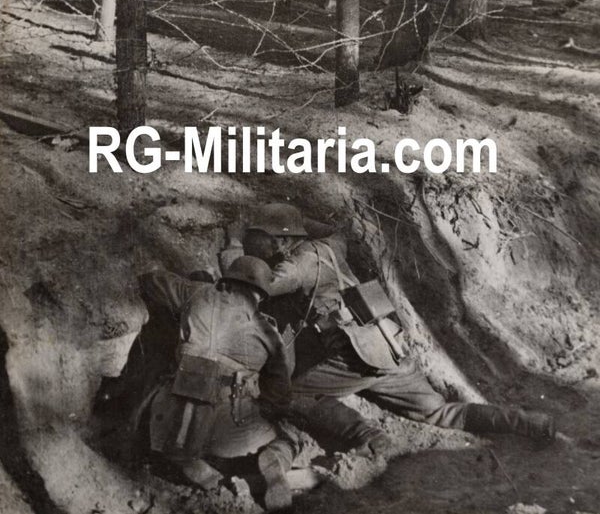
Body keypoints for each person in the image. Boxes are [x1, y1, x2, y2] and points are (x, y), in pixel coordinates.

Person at [242, 203, 556, 456]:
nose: (254, 248)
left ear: (280, 240)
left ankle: (366, 434)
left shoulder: (297, 265)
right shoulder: (332, 247)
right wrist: (296, 221)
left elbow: (264, 284)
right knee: (441, 413)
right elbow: (336, 230)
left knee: (286, 393)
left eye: (258, 241)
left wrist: (231, 245)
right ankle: (526, 422)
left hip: (354, 358)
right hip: (389, 346)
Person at [137, 255, 297, 510]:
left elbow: (152, 280)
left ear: (227, 281)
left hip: (171, 418)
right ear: (262, 294)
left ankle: (185, 458)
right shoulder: (269, 332)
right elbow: (281, 396)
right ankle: (274, 461)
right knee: (288, 437)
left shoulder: (195, 294)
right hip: (230, 425)